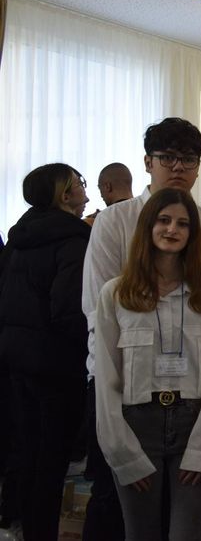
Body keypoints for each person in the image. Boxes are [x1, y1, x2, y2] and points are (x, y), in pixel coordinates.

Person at [82, 117, 201, 540]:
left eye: (189, 159)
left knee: (187, 523)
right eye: (168, 158)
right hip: (126, 387)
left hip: (190, 393)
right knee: (118, 515)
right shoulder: (116, 222)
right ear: (148, 162)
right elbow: (98, 312)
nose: (178, 167)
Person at [0, 163, 91, 541]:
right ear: (65, 195)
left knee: (27, 452)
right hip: (57, 366)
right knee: (52, 462)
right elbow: (70, 310)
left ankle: (21, 525)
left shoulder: (21, 234)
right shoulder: (72, 240)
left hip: (15, 360)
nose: (85, 191)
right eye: (80, 184)